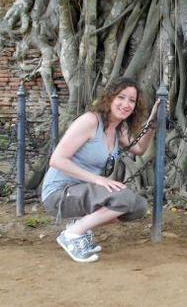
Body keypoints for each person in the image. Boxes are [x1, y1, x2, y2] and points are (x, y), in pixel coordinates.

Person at [41, 78, 161, 263]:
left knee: (137, 207)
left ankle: (79, 226)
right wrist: (97, 180)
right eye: (121, 97)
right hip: (59, 193)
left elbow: (139, 149)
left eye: (132, 100)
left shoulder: (117, 129)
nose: (126, 104)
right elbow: (57, 160)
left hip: (83, 192)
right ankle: (72, 235)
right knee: (124, 198)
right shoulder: (90, 121)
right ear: (110, 98)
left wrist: (153, 123)